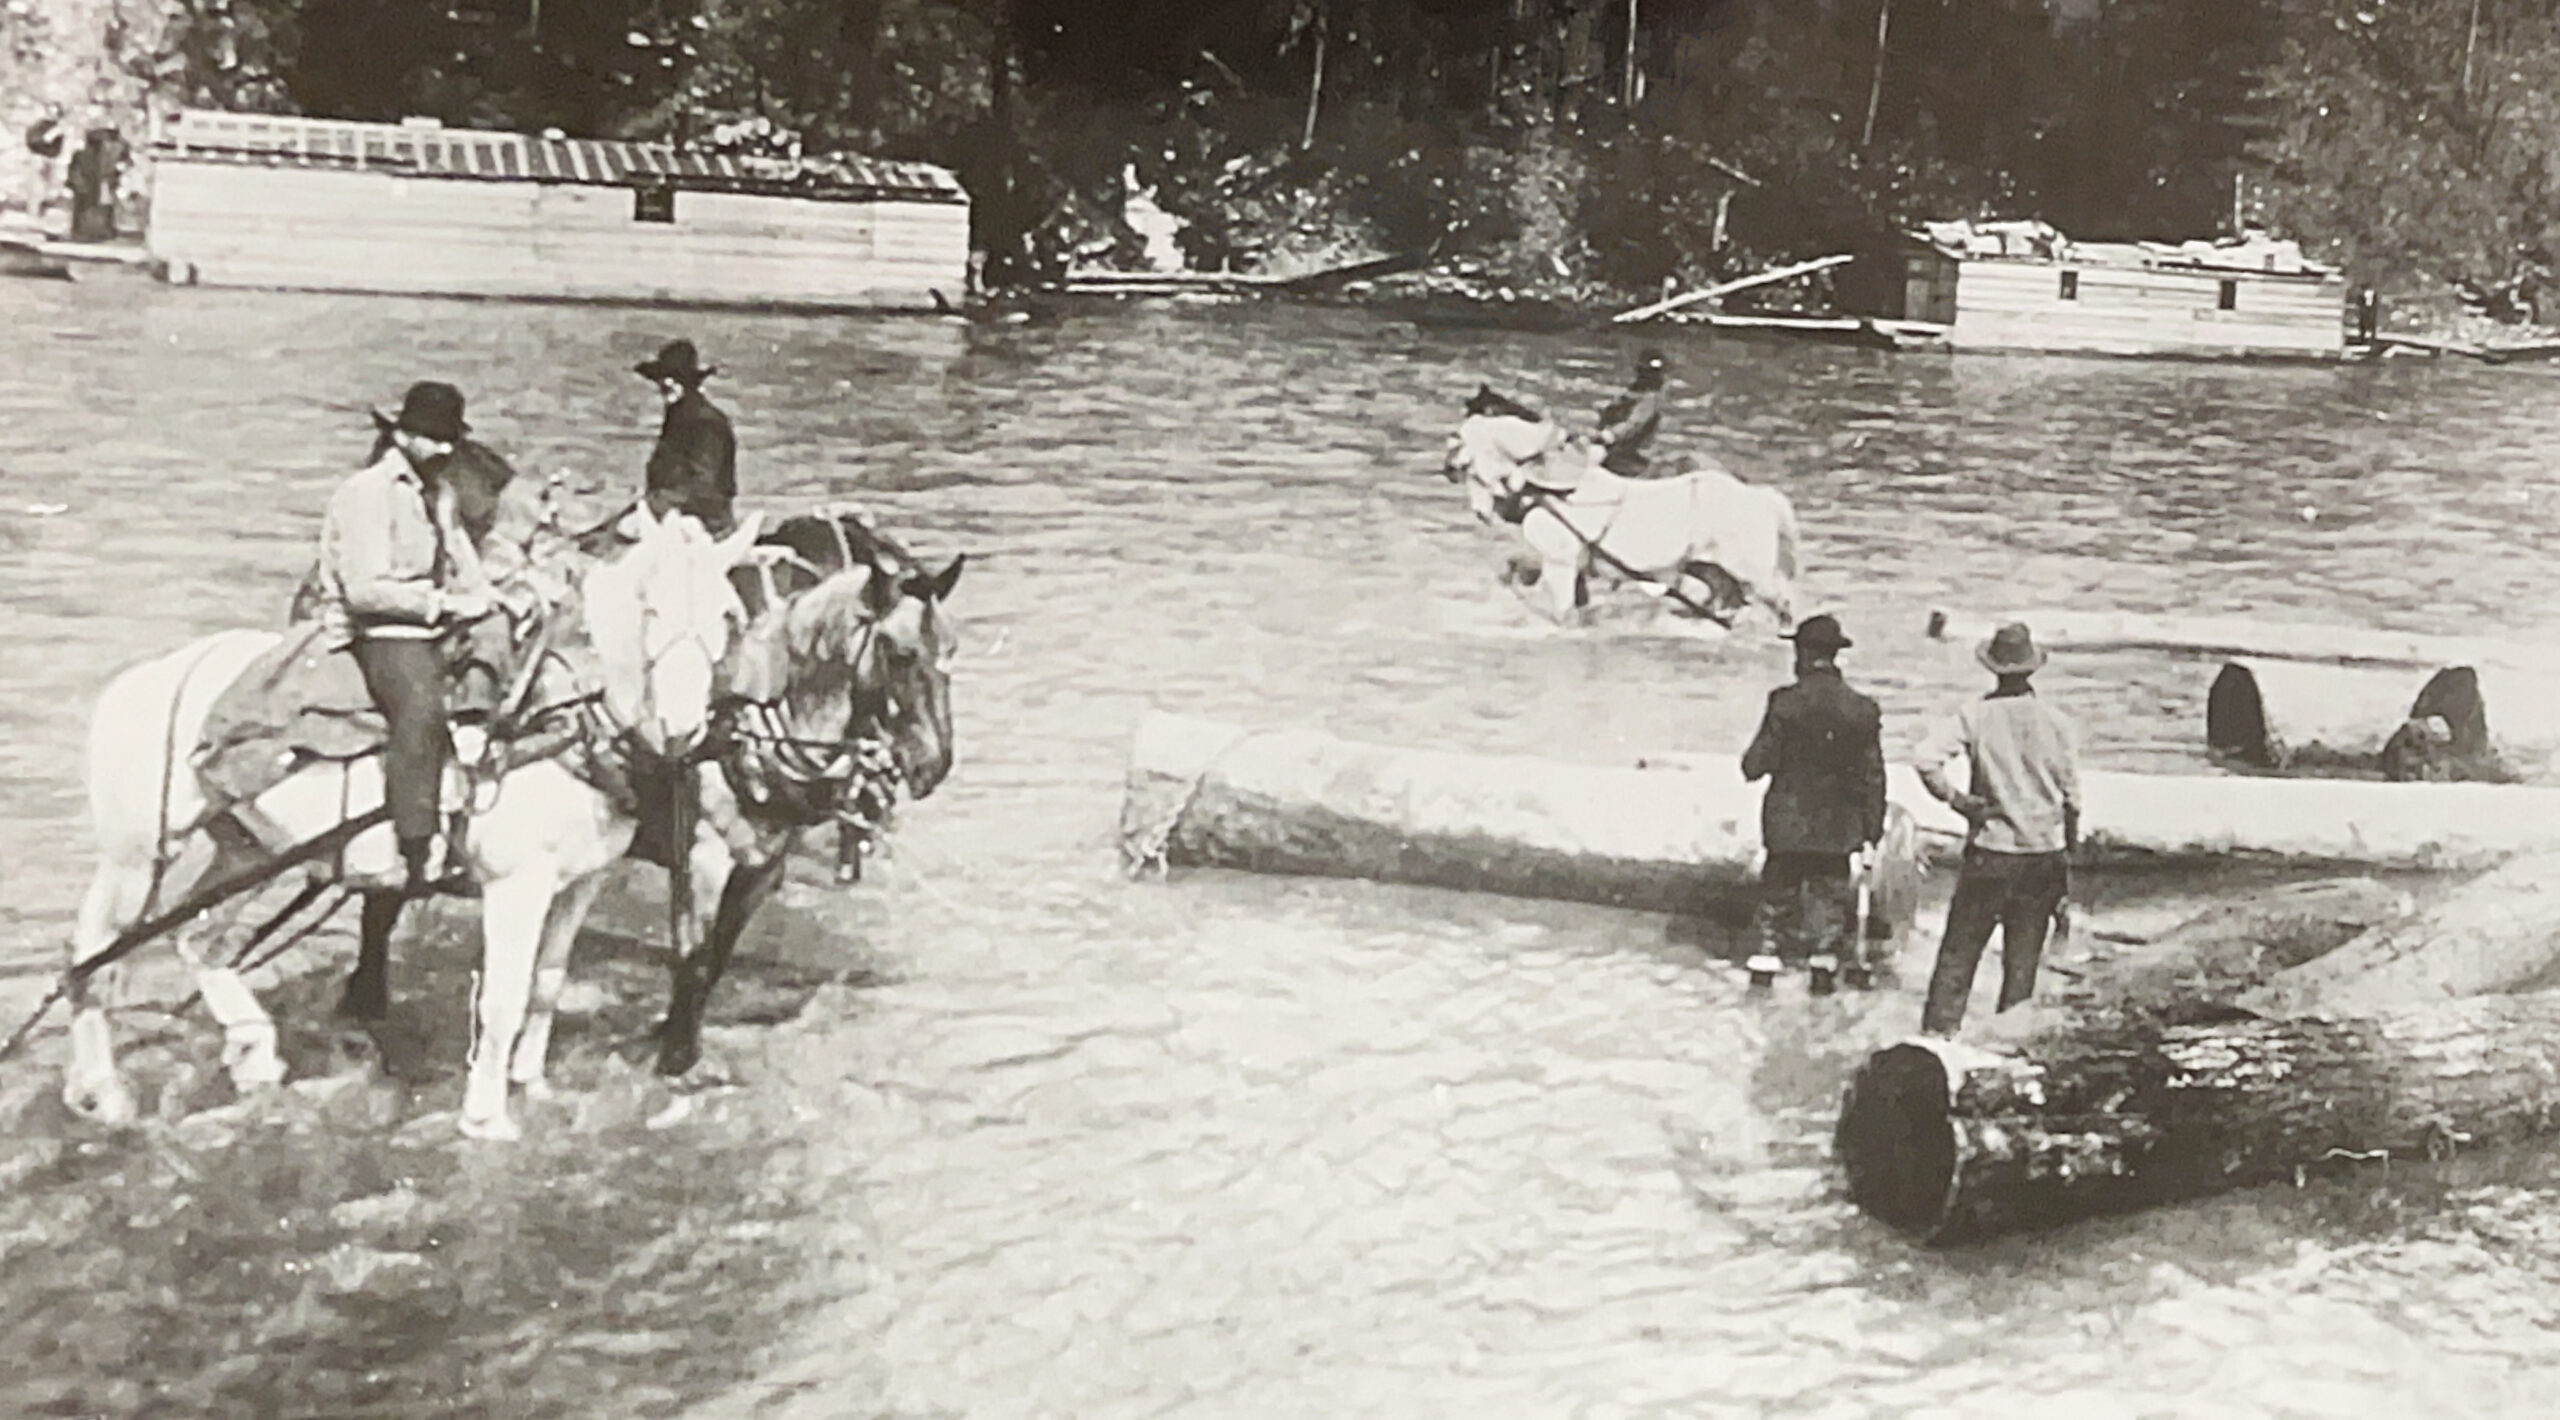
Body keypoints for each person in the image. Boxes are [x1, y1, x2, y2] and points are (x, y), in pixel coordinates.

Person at [314, 381, 494, 894]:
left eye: (449, 441)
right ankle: (416, 847)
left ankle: (477, 779)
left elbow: (465, 564)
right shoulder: (366, 493)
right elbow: (366, 591)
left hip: (436, 622)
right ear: (404, 436)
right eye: (433, 439)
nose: (443, 451)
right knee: (421, 705)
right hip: (380, 630)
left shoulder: (439, 493)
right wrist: (445, 604)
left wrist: (488, 597)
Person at [1913, 621, 2082, 1034]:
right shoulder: (2057, 722)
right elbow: (2073, 800)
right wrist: (2069, 857)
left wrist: (1958, 802)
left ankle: (1938, 1039)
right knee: (2022, 965)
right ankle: (2007, 1046)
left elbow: (1925, 758)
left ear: (1994, 668)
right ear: (2032, 669)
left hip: (1991, 850)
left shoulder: (1976, 715)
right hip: (2042, 854)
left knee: (1959, 955)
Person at [1739, 614, 1887, 993]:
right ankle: (1822, 975)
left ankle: (1765, 971)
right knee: (1829, 905)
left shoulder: (1784, 703)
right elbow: (1872, 778)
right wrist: (1872, 829)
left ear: (1802, 654)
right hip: (1838, 830)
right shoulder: (1862, 709)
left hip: (1786, 826)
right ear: (1835, 655)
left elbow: (1754, 766)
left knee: (1776, 902)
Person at [635, 338, 737, 535]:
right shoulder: (679, 418)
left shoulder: (707, 424)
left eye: (668, 386)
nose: (663, 394)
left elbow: (706, 489)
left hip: (705, 526)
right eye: (662, 386)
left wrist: (653, 506)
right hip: (669, 515)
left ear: (683, 386)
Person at [1596, 347, 1668, 477]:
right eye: (1645, 372)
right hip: (1618, 450)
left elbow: (1633, 424)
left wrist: (1609, 435)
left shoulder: (1650, 399)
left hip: (1634, 456)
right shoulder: (1632, 393)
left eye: (1652, 373)